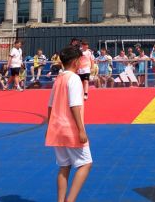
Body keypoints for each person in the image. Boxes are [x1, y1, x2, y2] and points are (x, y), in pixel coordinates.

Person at [45, 45, 92, 202]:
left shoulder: (59, 79)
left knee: (64, 166)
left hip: (57, 128)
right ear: (76, 62)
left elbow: (50, 105)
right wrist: (81, 129)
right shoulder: (74, 79)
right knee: (85, 163)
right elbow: (74, 105)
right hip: (69, 128)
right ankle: (70, 200)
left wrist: (49, 127)